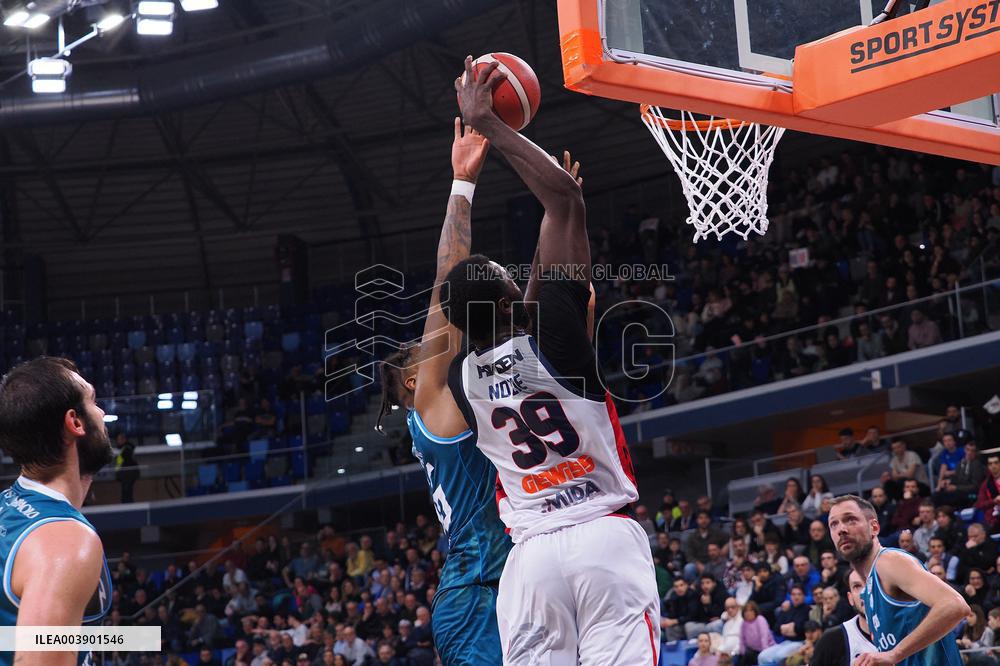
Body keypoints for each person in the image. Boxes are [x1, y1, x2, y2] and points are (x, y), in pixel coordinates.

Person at [446, 56, 659, 663]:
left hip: (531, 562)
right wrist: (490, 124)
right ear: (510, 301)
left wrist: (471, 188)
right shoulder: (554, 333)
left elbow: (485, 295)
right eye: (508, 277)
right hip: (602, 539)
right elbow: (564, 205)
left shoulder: (462, 380)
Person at [375, 116, 511, 666]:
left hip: (492, 583)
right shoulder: (432, 404)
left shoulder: (443, 412)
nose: (434, 344)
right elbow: (448, 280)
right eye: (422, 352)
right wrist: (463, 183)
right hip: (476, 592)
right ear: (414, 381)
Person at [0, 357, 115, 666]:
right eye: (93, 401)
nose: (102, 413)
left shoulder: (7, 509)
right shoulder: (64, 541)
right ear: (75, 423)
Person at [828, 494, 966, 665]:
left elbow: (955, 605)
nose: (841, 529)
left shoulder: (888, 561)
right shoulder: (869, 591)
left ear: (874, 527)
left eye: (850, 520)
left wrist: (894, 654)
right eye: (834, 524)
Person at [810, 569, 878, 666]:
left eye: (871, 583)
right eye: (857, 586)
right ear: (850, 598)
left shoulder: (901, 634)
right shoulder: (832, 640)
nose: (865, 592)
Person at [976, 453, 1000, 534]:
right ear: (988, 467)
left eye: (996, 463)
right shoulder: (985, 485)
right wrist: (994, 501)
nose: (993, 466)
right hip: (995, 520)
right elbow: (980, 504)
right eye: (990, 464)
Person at [114, 432, 139, 504]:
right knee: (126, 491)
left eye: (119, 440)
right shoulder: (124, 449)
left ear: (124, 440)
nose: (117, 442)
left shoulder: (127, 449)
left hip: (127, 475)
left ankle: (127, 504)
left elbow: (127, 462)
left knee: (127, 491)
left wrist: (121, 472)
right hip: (126, 475)